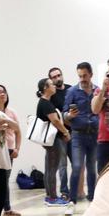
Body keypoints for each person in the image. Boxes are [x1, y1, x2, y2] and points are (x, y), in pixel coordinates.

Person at [64, 62, 99, 211]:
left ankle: (92, 199)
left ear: (91, 74)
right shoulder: (72, 91)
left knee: (92, 168)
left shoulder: (98, 91)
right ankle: (72, 201)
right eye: (80, 76)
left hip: (95, 134)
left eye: (85, 75)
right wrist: (69, 115)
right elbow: (63, 114)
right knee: (77, 167)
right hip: (78, 134)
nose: (82, 78)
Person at [36, 78, 72, 207]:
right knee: (52, 169)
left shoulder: (45, 102)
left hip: (51, 141)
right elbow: (55, 121)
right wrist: (66, 132)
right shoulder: (45, 103)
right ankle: (52, 198)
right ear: (45, 88)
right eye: (51, 84)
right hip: (53, 141)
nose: (54, 86)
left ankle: (49, 196)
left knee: (49, 168)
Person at [0, 84, 23, 216]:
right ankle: (1, 209)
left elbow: (18, 131)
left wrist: (17, 148)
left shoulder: (11, 112)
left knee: (5, 179)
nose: (2, 94)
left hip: (9, 149)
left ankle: (7, 208)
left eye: (4, 92)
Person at [49, 67, 72, 199]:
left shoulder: (71, 89)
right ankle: (64, 192)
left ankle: (76, 190)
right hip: (59, 135)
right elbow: (54, 118)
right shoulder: (51, 94)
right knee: (62, 165)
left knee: (77, 164)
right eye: (54, 77)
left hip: (74, 132)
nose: (57, 78)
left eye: (59, 75)